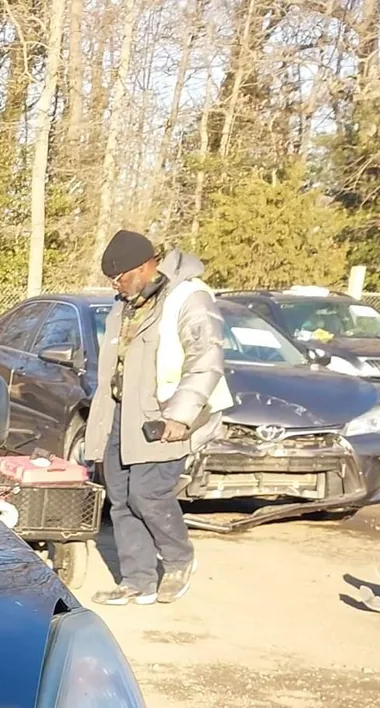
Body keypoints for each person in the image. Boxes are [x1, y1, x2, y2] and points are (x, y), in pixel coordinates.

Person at [86, 230, 232, 605]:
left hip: (165, 415)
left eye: (118, 277)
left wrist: (180, 417)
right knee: (121, 499)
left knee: (148, 494)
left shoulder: (188, 296)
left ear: (142, 266)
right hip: (122, 412)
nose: (115, 285)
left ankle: (180, 561)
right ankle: (138, 580)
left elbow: (206, 359)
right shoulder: (127, 302)